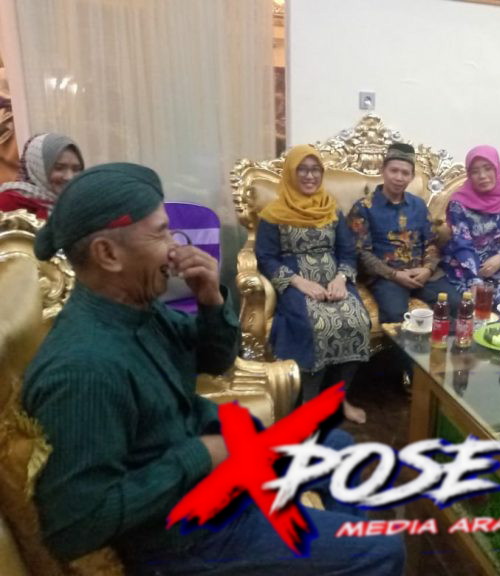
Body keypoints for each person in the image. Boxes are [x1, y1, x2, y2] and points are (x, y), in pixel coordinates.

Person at [22, 163, 403, 575]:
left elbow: (215, 361)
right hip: (189, 533)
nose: (174, 247)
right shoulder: (83, 369)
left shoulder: (136, 308)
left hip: (226, 470)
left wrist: (210, 300)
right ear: (108, 254)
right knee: (385, 549)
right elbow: (75, 525)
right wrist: (201, 454)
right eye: (160, 233)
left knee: (341, 451)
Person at [257, 145, 371, 424]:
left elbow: (347, 251)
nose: (310, 176)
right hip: (296, 282)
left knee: (357, 320)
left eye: (315, 170)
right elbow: (266, 257)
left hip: (334, 280)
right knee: (312, 326)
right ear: (290, 173)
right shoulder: (273, 214)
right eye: (303, 170)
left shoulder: (332, 210)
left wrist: (341, 279)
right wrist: (298, 282)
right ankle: (309, 403)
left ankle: (340, 398)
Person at [347, 142, 459, 323]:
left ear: (412, 177)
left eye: (405, 173)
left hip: (422, 275)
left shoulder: (418, 205)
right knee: (395, 316)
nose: (399, 178)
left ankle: (444, 342)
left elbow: (431, 242)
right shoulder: (364, 207)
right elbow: (361, 253)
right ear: (383, 171)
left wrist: (427, 269)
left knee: (454, 303)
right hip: (387, 277)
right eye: (394, 171)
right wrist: (394, 275)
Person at [441, 145, 500, 304]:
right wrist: (474, 280)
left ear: (497, 169)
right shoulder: (459, 203)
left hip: (494, 267)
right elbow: (462, 243)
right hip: (461, 268)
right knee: (471, 305)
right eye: (475, 171)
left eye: (488, 168)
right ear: (469, 175)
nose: (482, 176)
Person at [0, 132, 84, 218]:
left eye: (76, 169)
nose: (69, 177)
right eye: (59, 168)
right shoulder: (8, 204)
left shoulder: (82, 203)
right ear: (37, 168)